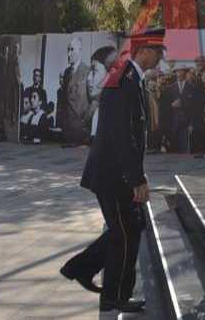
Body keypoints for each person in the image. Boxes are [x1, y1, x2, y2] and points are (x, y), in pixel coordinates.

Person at [60, 29, 165, 314]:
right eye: (158, 51)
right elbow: (121, 136)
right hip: (113, 175)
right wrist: (136, 179)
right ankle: (114, 297)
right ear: (143, 51)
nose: (160, 57)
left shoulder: (132, 79)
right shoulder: (124, 80)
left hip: (114, 172)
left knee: (129, 228)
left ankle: (81, 268)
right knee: (125, 233)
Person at [61, 37, 90, 147]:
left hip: (81, 132)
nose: (69, 54)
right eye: (68, 50)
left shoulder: (87, 71)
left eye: (72, 50)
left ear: (80, 50)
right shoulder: (67, 72)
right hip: (67, 131)